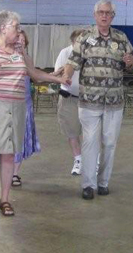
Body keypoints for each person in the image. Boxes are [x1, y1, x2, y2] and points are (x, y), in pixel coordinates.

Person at [0, 10, 69, 220]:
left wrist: (57, 79)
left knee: (9, 155)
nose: (19, 30)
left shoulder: (20, 49)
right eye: (16, 26)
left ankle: (5, 199)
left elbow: (34, 74)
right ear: (4, 28)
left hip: (16, 107)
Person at [64, 0, 133, 200]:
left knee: (110, 143)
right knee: (90, 143)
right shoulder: (85, 37)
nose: (104, 16)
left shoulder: (121, 38)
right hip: (89, 101)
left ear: (113, 16)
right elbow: (73, 60)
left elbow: (132, 60)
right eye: (101, 12)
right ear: (95, 15)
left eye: (108, 13)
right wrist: (67, 75)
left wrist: (130, 62)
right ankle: (88, 184)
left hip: (114, 101)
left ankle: (103, 182)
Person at [11, 31, 41, 187]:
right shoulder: (7, 57)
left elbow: (35, 76)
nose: (20, 42)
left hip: (26, 104)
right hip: (10, 105)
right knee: (9, 140)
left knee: (21, 140)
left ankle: (15, 173)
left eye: (23, 40)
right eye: (18, 39)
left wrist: (55, 75)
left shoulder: (27, 59)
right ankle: (8, 171)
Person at [54, 29, 84, 175]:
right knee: (72, 132)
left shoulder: (91, 53)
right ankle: (78, 160)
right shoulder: (64, 53)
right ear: (72, 42)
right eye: (78, 41)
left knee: (93, 133)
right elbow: (59, 73)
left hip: (90, 100)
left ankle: (94, 161)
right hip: (69, 97)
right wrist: (64, 76)